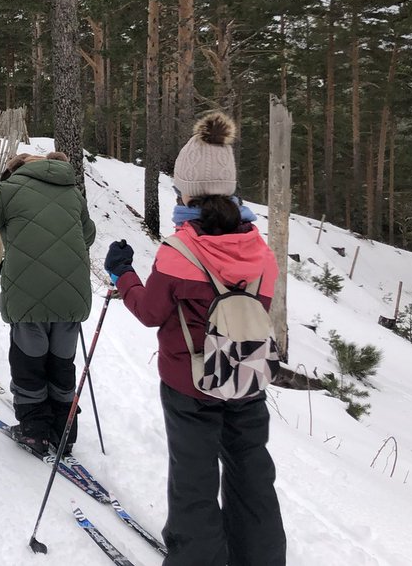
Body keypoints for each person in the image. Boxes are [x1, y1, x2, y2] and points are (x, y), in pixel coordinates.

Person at [105, 112, 285, 566]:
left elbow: (150, 313)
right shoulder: (260, 251)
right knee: (252, 477)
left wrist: (123, 274)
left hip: (191, 386)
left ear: (186, 191)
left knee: (194, 481)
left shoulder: (180, 250)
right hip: (246, 377)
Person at [0, 151, 95, 454]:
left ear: (15, 170)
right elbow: (88, 235)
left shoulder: (7, 190)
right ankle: (64, 432)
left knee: (29, 361)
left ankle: (35, 430)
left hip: (28, 290)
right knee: (62, 363)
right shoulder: (72, 192)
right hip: (72, 292)